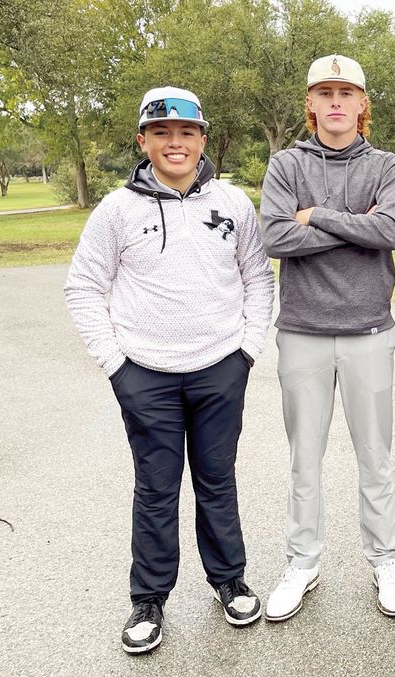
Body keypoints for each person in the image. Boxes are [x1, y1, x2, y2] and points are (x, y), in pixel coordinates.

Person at [64, 86, 275, 654]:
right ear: (144, 140)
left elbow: (258, 279)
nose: (174, 142)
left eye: (186, 132)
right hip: (146, 375)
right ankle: (149, 599)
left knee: (217, 480)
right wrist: (116, 366)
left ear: (202, 139)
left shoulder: (231, 204)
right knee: (156, 489)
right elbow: (83, 287)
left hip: (219, 368)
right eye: (161, 133)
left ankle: (228, 580)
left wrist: (247, 352)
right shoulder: (117, 209)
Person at [259, 54, 395, 621]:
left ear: (362, 103)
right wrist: (354, 225)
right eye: (325, 93)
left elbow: (391, 231)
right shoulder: (285, 165)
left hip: (369, 330)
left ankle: (384, 559)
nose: (336, 103)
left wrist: (316, 214)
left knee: (375, 458)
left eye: (346, 93)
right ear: (311, 104)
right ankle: (302, 563)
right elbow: (274, 236)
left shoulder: (387, 166)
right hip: (303, 332)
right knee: (305, 459)